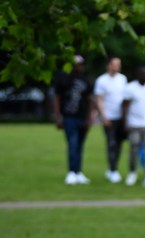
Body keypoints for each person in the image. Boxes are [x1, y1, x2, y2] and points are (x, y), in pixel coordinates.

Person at [53, 55, 94, 186]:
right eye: (76, 64)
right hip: (69, 117)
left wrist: (89, 118)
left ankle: (78, 172)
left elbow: (89, 100)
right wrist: (58, 116)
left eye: (81, 64)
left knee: (80, 145)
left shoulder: (86, 80)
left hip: (82, 117)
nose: (79, 67)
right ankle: (71, 172)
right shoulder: (63, 79)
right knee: (73, 143)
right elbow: (57, 98)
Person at [122, 66, 145, 188]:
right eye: (143, 74)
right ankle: (132, 172)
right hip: (134, 124)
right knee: (133, 149)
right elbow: (125, 106)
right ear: (138, 75)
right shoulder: (130, 88)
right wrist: (125, 122)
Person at [95, 56, 128, 184]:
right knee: (111, 143)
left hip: (121, 117)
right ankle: (113, 170)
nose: (117, 67)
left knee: (119, 144)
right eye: (115, 64)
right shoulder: (102, 81)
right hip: (109, 116)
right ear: (109, 65)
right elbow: (99, 100)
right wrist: (104, 116)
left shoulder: (122, 79)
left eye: (119, 64)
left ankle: (112, 167)